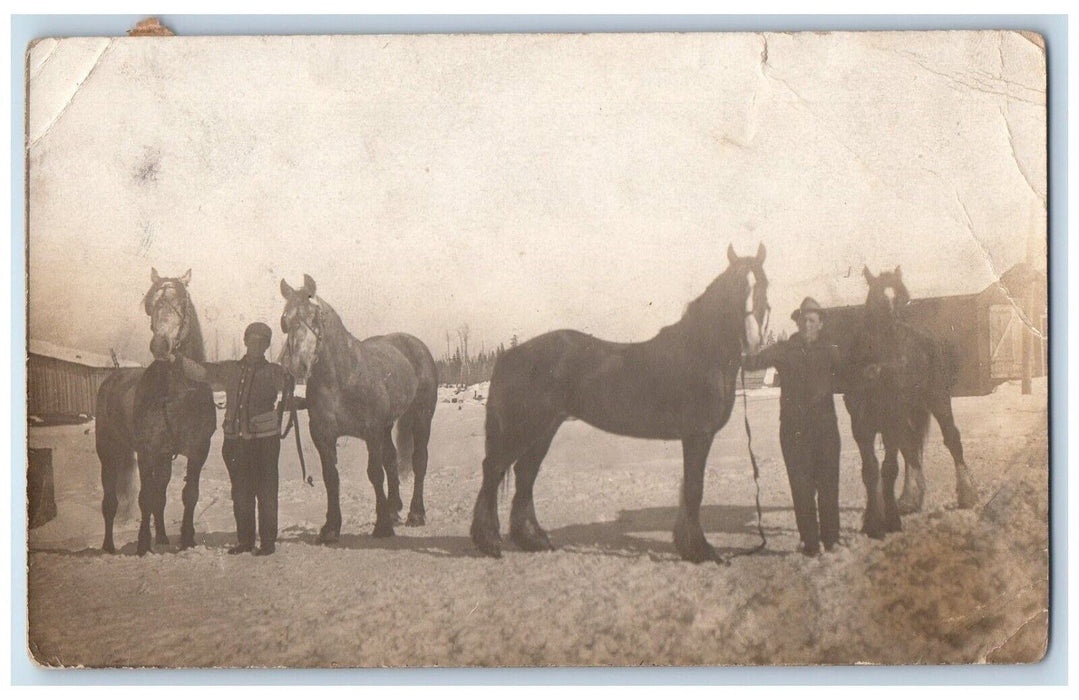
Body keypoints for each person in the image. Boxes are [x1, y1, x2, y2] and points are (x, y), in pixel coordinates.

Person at [175, 322, 294, 556]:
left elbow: (292, 379)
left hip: (265, 444)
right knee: (241, 492)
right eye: (252, 341)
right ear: (245, 342)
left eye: (261, 343)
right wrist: (175, 358)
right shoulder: (230, 369)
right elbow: (200, 372)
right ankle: (245, 541)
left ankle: (268, 542)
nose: (256, 346)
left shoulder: (274, 372)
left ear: (267, 346)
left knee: (266, 492)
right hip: (235, 444)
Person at [743, 297, 843, 556]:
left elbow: (851, 372)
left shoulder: (831, 350)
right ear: (798, 322)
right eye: (803, 320)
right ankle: (810, 543)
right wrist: (742, 349)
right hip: (794, 432)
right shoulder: (785, 349)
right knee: (802, 489)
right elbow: (752, 362)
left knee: (829, 487)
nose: (807, 325)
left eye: (812, 320)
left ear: (820, 324)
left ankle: (832, 540)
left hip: (826, 431)